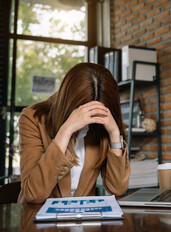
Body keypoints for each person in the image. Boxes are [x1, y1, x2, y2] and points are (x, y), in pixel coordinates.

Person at [17, 62, 130, 204]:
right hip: (37, 218)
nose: (91, 118)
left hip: (83, 220)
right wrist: (67, 129)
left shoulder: (101, 126)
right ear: (68, 100)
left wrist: (114, 133)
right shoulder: (32, 118)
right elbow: (34, 194)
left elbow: (118, 188)